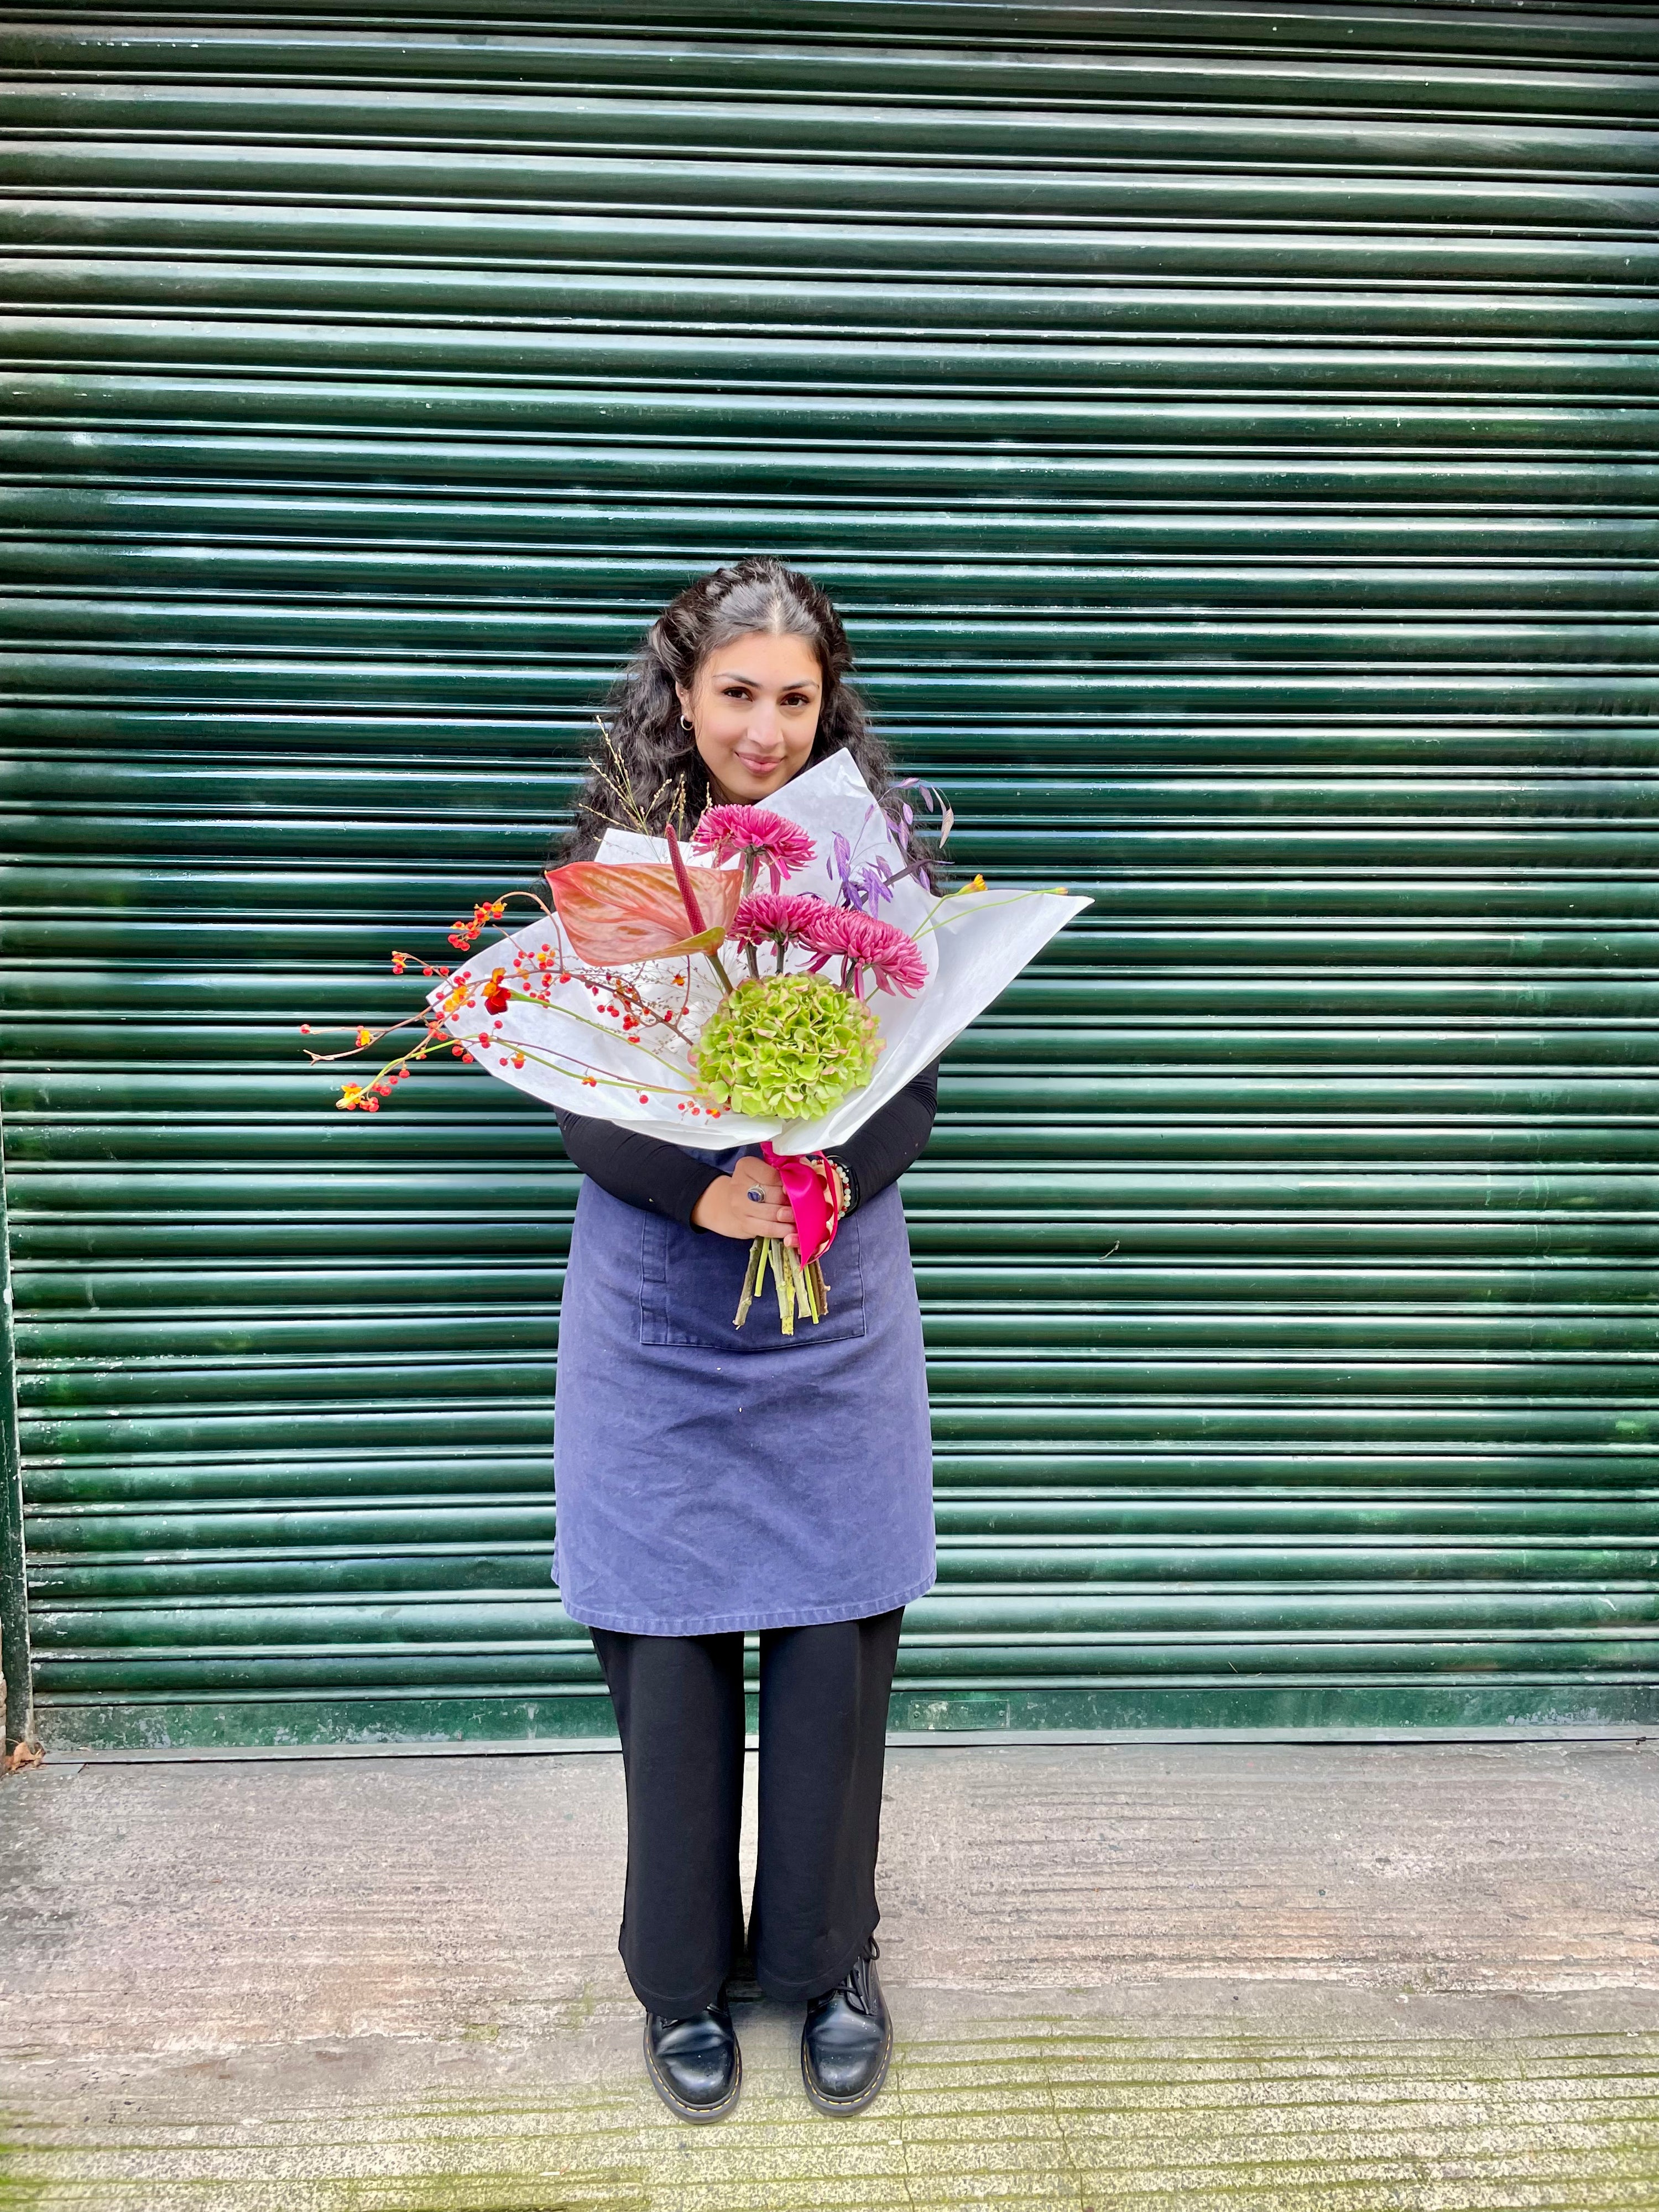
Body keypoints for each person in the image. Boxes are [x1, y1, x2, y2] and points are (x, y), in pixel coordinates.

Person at [550, 557, 939, 2122]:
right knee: (668, 1652)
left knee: (838, 1639)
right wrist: (703, 1191)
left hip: (829, 1291)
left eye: (796, 698)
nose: (769, 730)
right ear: (683, 697)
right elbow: (583, 1079)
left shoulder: (862, 862)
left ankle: (830, 1959)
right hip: (661, 1300)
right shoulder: (624, 862)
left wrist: (827, 1172)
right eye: (739, 696)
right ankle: (680, 1981)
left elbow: (913, 1062)